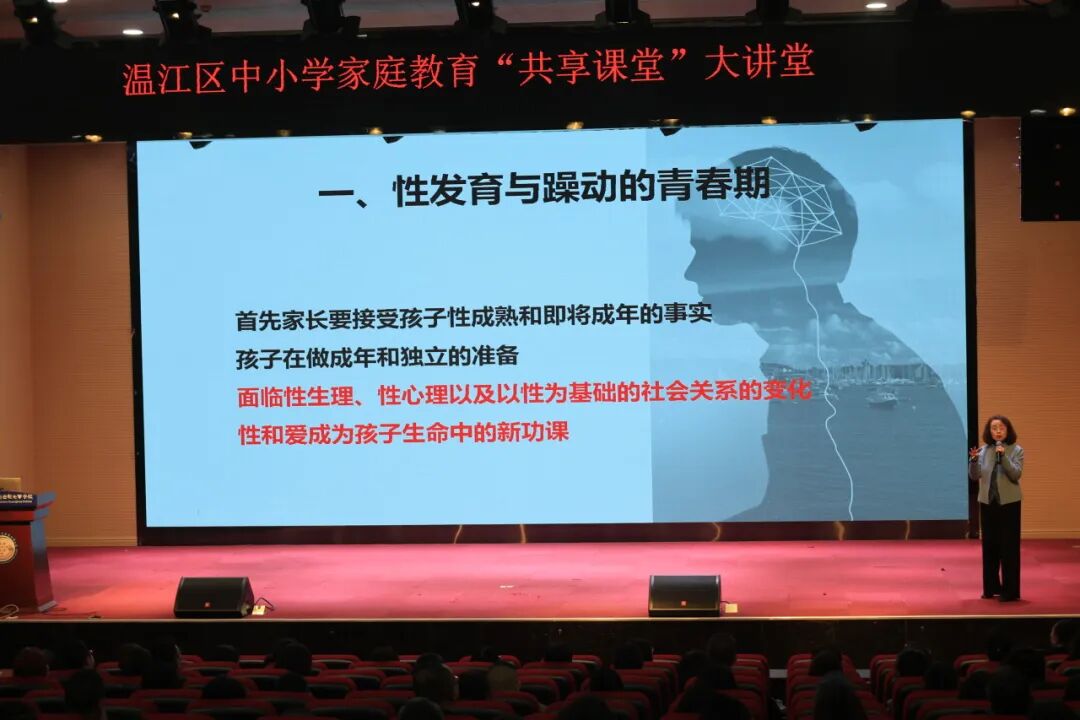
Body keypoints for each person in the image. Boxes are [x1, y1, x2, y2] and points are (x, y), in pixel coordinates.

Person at [968, 415, 1024, 601]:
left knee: (1009, 547)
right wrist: (973, 461)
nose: (998, 431)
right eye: (994, 428)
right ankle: (991, 588)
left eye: (1001, 428)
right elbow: (975, 476)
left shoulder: (1016, 450)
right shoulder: (983, 451)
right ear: (989, 432)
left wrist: (1003, 457)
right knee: (990, 546)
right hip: (987, 503)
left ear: (1008, 430)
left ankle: (1010, 591)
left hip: (1009, 504)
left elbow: (1015, 475)